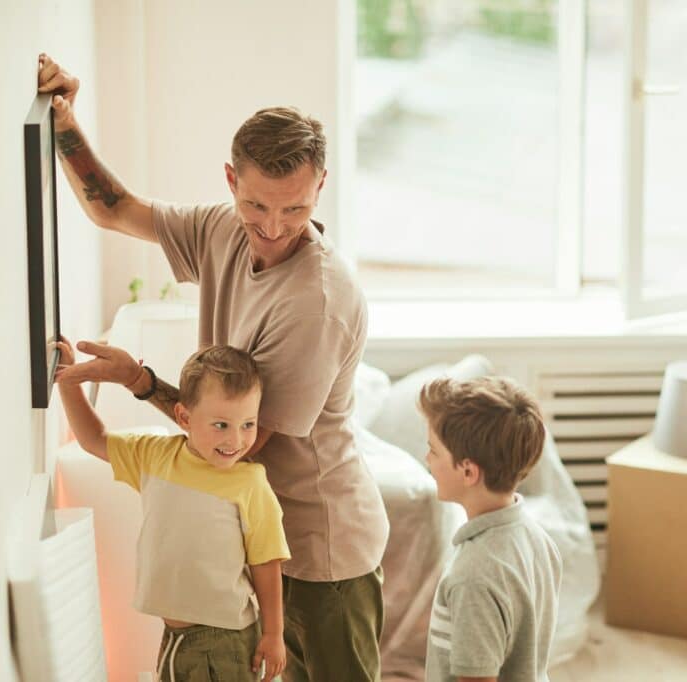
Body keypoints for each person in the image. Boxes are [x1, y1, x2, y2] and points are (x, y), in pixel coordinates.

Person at [38, 53, 390, 681]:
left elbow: (235, 444)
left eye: (295, 209)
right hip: (257, 532)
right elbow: (111, 208)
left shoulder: (318, 301)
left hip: (319, 546)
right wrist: (64, 117)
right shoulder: (219, 230)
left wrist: (141, 382)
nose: (274, 228)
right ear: (231, 180)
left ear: (321, 188)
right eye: (257, 205)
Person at [56, 341, 289, 681]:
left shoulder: (250, 484)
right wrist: (69, 381)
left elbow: (267, 562)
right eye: (221, 425)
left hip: (227, 640)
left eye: (248, 424)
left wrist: (273, 635)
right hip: (174, 637)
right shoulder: (155, 457)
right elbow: (94, 439)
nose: (236, 440)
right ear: (184, 416)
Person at [418, 376, 562, 682]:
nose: (426, 459)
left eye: (433, 451)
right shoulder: (538, 538)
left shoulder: (473, 577)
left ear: (468, 471)